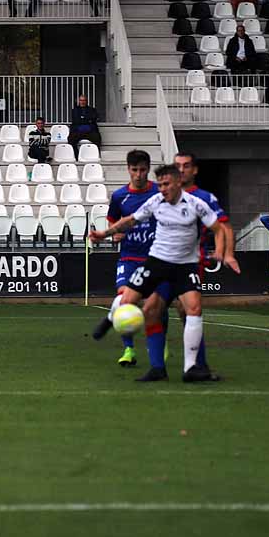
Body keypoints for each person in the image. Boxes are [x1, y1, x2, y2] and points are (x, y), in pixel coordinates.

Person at [89, 164, 240, 383]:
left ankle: (191, 369)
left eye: (166, 184)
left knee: (193, 308)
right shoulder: (156, 202)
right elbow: (130, 220)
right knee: (127, 301)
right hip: (157, 261)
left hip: (185, 265)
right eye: (159, 184)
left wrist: (219, 252)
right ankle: (111, 319)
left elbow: (218, 229)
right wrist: (105, 233)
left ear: (179, 182)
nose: (163, 189)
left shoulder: (196, 204)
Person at [91, 149, 171, 370]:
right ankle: (129, 349)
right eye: (134, 170)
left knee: (157, 305)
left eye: (143, 170)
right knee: (125, 300)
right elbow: (112, 221)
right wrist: (114, 233)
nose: (138, 174)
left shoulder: (158, 193)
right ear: (128, 169)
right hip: (129, 257)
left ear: (148, 170)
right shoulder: (119, 196)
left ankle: (159, 343)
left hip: (155, 257)